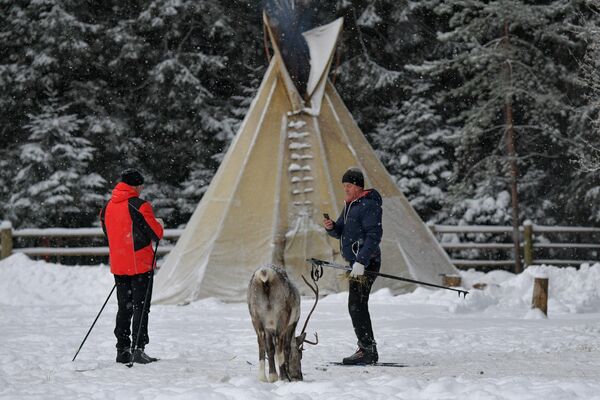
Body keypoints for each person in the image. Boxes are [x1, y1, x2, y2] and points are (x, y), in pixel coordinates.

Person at [100, 168, 164, 364]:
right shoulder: (140, 205)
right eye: (141, 184)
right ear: (135, 185)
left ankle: (122, 349)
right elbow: (156, 234)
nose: (142, 188)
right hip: (140, 265)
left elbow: (108, 234)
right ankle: (139, 348)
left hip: (119, 265)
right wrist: (159, 224)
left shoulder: (107, 207)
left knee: (124, 308)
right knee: (141, 307)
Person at [323, 167, 383, 365]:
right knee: (357, 305)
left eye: (348, 186)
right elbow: (341, 231)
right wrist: (332, 227)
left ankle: (367, 350)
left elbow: (374, 236)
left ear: (357, 186)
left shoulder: (369, 205)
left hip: (367, 263)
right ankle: (367, 348)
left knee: (356, 306)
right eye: (344, 186)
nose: (346, 189)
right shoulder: (351, 205)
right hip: (356, 263)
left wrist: (362, 261)